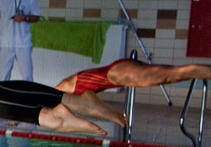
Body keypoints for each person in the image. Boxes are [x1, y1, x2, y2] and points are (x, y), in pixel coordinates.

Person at [56, 58, 211, 95]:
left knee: (175, 74)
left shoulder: (63, 91)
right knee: (175, 74)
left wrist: (114, 116)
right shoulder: (62, 88)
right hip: (118, 71)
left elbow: (89, 103)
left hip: (118, 75)